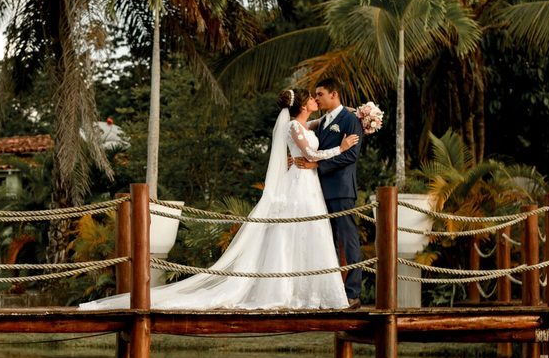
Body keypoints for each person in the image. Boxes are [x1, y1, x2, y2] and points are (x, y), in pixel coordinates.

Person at [79, 89, 358, 310]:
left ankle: (307, 291)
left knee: (309, 233)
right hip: (299, 182)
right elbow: (312, 155)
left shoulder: (303, 124)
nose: (315, 101)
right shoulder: (295, 129)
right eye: (311, 98)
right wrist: (341, 148)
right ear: (301, 105)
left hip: (307, 184)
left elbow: (322, 122)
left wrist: (360, 114)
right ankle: (287, 290)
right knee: (294, 233)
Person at [293, 77, 363, 308]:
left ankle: (353, 292)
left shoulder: (350, 119)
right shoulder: (323, 122)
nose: (316, 98)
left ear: (334, 94)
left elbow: (350, 155)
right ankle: (329, 292)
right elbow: (310, 143)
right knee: (325, 242)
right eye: (314, 95)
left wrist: (318, 166)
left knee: (348, 239)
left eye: (320, 94)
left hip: (341, 188)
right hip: (318, 189)